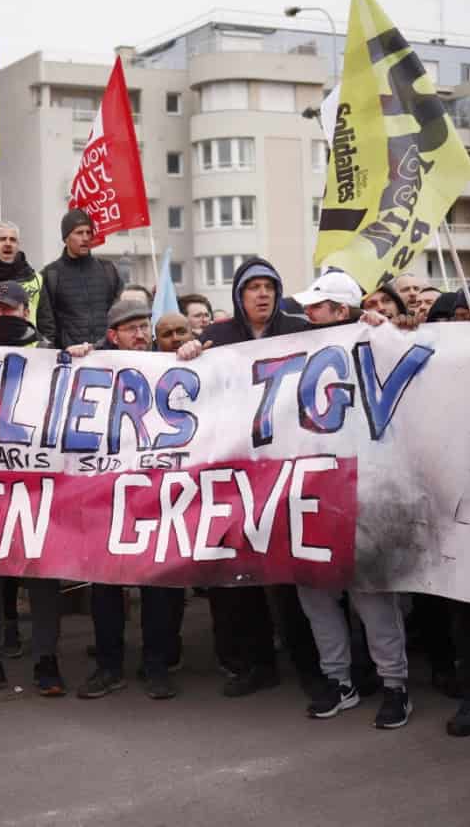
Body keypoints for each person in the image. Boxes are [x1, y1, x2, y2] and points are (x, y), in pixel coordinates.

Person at [177, 258, 318, 697]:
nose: (263, 295)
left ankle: (311, 665)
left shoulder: (299, 329)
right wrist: (186, 354)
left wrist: (373, 321)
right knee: (241, 577)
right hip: (233, 473)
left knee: (290, 576)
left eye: (269, 287)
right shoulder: (217, 337)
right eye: (253, 287)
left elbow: (352, 340)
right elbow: (179, 380)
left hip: (288, 470)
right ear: (239, 296)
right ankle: (254, 664)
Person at [287, 275, 413, 728]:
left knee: (372, 595)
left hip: (365, 489)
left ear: (342, 312)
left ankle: (395, 684)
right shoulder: (295, 349)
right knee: (316, 595)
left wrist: (382, 329)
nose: (308, 314)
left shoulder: (378, 343)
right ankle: (338, 680)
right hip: (313, 492)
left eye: (317, 307)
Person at [0, 281, 92, 700]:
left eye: (7, 310)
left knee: (41, 576)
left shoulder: (49, 354)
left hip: (37, 484)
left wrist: (80, 360)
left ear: (25, 312)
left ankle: (46, 659)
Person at [77, 299, 187, 701]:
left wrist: (193, 352)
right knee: (106, 585)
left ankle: (156, 665)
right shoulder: (93, 368)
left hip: (158, 494)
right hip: (107, 494)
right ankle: (109, 666)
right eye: (131, 328)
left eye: (144, 326)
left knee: (158, 585)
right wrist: (75, 357)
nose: (141, 334)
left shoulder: (173, 365)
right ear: (113, 336)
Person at [38, 209, 124, 349]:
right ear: (66, 238)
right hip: (71, 359)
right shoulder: (50, 275)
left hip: (107, 355)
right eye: (79, 233)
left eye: (88, 232)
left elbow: (119, 313)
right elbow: (46, 324)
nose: (85, 238)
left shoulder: (108, 270)